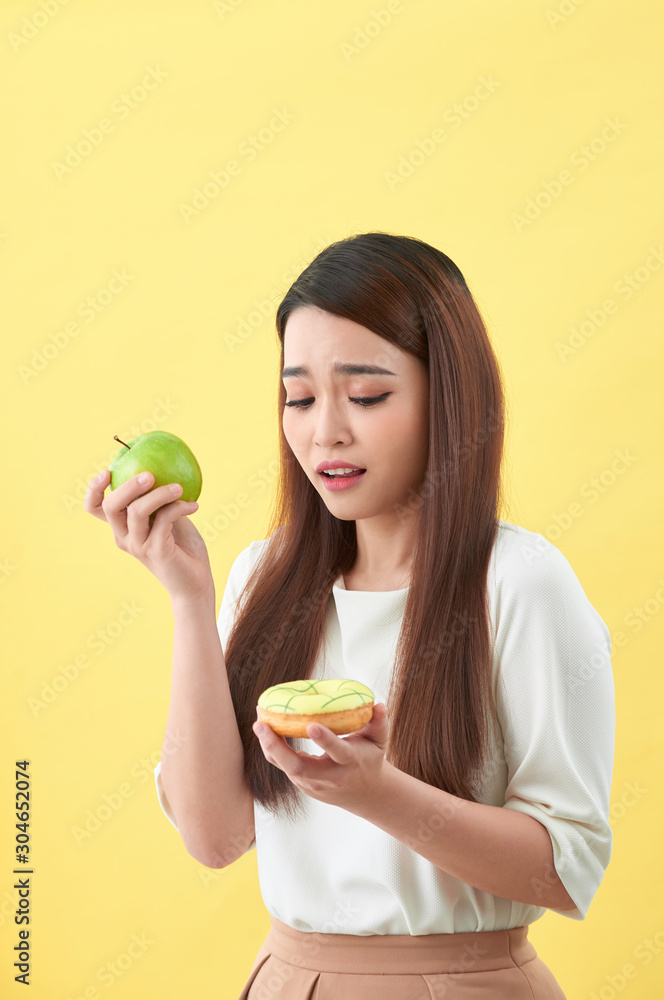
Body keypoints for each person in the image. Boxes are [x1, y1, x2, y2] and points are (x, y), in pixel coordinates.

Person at [85, 232, 615, 999]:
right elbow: (216, 837)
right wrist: (189, 599)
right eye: (298, 397)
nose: (324, 430)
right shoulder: (261, 578)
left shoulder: (521, 584)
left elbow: (568, 867)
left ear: (449, 395)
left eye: (365, 395)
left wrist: (376, 793)